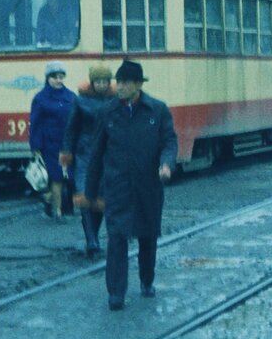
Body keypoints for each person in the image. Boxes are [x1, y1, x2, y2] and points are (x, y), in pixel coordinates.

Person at [81, 60, 177, 311]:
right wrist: (90, 192)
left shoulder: (157, 110)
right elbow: (96, 154)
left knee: (147, 235)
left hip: (148, 186)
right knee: (116, 237)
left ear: (137, 85)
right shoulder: (108, 112)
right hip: (117, 187)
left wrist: (166, 164)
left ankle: (147, 280)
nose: (119, 87)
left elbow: (169, 142)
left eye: (125, 82)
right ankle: (116, 292)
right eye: (118, 82)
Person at [60, 64, 115, 257]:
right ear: (92, 83)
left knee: (100, 198)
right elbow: (71, 128)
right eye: (98, 81)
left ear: (109, 83)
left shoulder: (116, 101)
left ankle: (95, 236)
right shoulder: (80, 101)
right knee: (84, 196)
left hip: (106, 156)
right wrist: (67, 152)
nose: (101, 85)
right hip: (84, 154)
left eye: (104, 82)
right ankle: (91, 239)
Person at [29, 61, 76, 219]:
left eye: (61, 77)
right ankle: (57, 210)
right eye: (55, 77)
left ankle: (67, 207)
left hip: (68, 145)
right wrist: (35, 145)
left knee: (69, 176)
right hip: (50, 145)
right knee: (56, 178)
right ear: (48, 78)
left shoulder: (71, 96)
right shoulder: (40, 98)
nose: (58, 80)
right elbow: (35, 124)